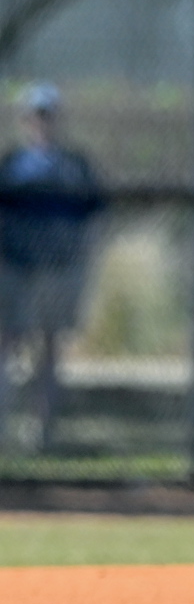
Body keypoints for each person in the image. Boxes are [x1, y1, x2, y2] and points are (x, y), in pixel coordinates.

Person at [0, 82, 105, 452]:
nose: (42, 122)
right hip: (17, 270)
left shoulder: (76, 166)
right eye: (36, 115)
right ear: (25, 120)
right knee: (8, 344)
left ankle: (41, 432)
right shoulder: (12, 165)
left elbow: (95, 218)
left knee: (50, 348)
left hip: (59, 271)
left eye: (48, 115)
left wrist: (81, 260)